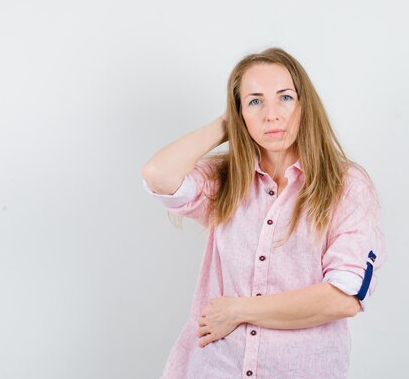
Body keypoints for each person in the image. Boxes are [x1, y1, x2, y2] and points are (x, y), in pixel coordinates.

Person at [141, 47, 387, 379]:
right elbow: (158, 174)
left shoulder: (346, 186)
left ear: (304, 105)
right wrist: (226, 125)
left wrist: (239, 311)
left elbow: (343, 297)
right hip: (214, 369)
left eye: (285, 98)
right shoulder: (226, 179)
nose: (271, 115)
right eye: (255, 101)